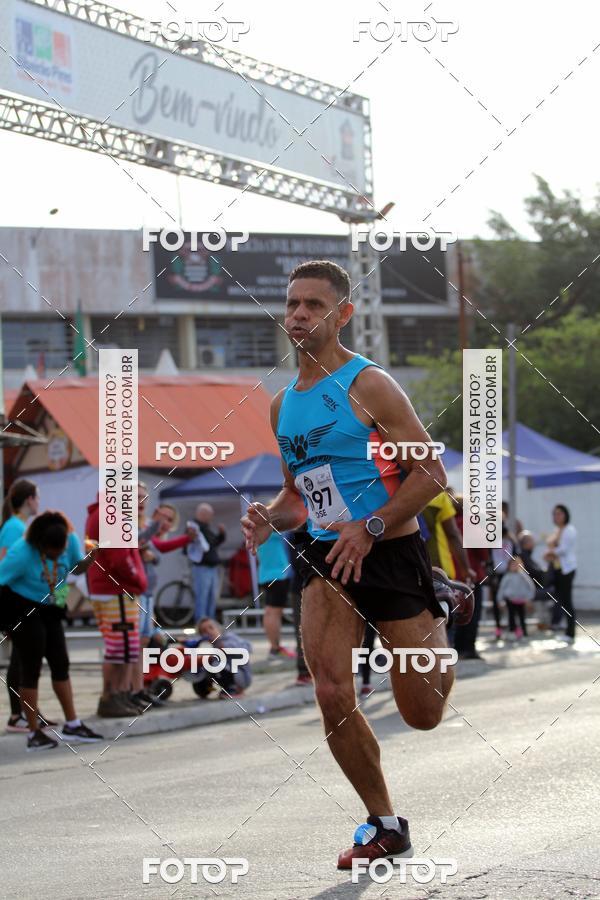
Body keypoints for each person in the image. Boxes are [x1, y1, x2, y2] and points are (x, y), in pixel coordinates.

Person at [241, 259, 472, 869]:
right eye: (292, 304)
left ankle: (437, 605)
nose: (298, 316)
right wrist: (269, 514)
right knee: (329, 688)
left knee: (422, 715)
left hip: (389, 548)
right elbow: (296, 495)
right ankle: (384, 822)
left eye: (314, 305)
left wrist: (370, 526)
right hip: (325, 555)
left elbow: (431, 474)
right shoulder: (281, 405)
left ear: (342, 314)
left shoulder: (369, 385)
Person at [0, 511, 103, 750]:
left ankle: (73, 724)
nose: (58, 555)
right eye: (51, 553)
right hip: (21, 606)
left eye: (61, 550)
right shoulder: (21, 553)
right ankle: (33, 732)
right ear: (39, 545)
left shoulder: (71, 541)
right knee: (31, 668)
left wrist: (92, 557)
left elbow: (76, 568)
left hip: (50, 606)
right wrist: (6, 624)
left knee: (61, 663)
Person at [85, 493, 148, 718]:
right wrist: (138, 579)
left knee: (124, 649)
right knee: (119, 650)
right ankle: (111, 698)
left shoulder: (101, 512)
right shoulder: (112, 514)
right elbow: (119, 558)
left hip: (109, 589)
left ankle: (118, 697)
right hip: (116, 591)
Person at [132, 492, 196, 706]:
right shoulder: (142, 526)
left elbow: (156, 554)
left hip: (147, 591)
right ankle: (135, 689)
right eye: (163, 517)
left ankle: (139, 688)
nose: (165, 523)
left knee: (145, 641)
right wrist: (187, 539)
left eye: (169, 520)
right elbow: (158, 549)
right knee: (138, 643)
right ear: (156, 512)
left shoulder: (147, 531)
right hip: (138, 592)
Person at [0, 479, 44, 733]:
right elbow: (5, 563)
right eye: (37, 497)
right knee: (21, 658)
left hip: (20, 598)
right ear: (29, 500)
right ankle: (18, 716)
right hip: (14, 600)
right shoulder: (15, 527)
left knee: (24, 657)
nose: (39, 502)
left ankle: (28, 711)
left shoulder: (18, 525)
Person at [449, 493, 489, 660]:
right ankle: (468, 648)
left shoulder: (447, 525)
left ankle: (457, 648)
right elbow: (483, 553)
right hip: (471, 575)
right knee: (472, 613)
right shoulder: (471, 525)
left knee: (456, 614)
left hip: (451, 576)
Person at [184, 617, 252, 698]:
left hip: (240, 675)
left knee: (215, 664)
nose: (209, 632)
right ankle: (208, 689)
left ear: (218, 628)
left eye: (211, 628)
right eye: (204, 631)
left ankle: (234, 689)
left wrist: (223, 646)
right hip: (223, 670)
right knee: (200, 668)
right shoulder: (207, 644)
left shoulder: (228, 637)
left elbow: (248, 648)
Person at [256, 521, 295, 660]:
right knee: (274, 612)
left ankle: (274, 647)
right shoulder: (273, 530)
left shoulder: (257, 530)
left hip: (265, 574)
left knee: (269, 611)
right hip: (279, 574)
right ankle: (275, 648)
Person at [544, 504, 577, 641]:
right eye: (555, 514)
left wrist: (550, 552)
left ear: (565, 515)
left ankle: (570, 633)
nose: (557, 516)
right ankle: (563, 626)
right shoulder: (557, 530)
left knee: (567, 600)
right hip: (557, 569)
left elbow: (563, 549)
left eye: (559, 513)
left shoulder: (569, 530)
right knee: (561, 600)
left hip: (566, 569)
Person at [191, 503, 226, 621]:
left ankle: (210, 623)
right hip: (202, 567)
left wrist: (221, 535)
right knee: (202, 596)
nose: (211, 517)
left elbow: (213, 543)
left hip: (211, 568)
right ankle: (201, 623)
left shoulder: (206, 527)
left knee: (211, 597)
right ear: (203, 514)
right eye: (210, 515)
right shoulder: (194, 528)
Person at [497, 557, 536, 639]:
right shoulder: (507, 576)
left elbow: (531, 587)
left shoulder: (524, 576)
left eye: (516, 565)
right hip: (510, 599)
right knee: (511, 616)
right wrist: (499, 600)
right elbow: (502, 588)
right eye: (512, 565)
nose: (514, 567)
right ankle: (512, 631)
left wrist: (529, 598)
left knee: (522, 617)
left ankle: (524, 632)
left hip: (521, 600)